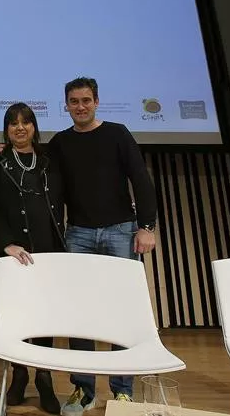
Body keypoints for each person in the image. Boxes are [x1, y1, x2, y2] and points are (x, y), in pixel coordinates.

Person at [48, 77, 157, 414]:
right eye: (73, 101)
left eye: (86, 100)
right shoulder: (60, 142)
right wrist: (1, 150)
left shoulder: (118, 133)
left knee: (122, 312)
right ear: (65, 105)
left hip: (121, 231)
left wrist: (147, 227)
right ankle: (83, 390)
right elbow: (38, 171)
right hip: (78, 234)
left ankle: (122, 390)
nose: (80, 106)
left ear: (96, 101)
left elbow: (140, 178)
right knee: (80, 314)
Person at [0, 103, 65, 414]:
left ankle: (44, 379)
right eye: (13, 123)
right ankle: (19, 375)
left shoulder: (49, 161)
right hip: (12, 255)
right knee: (15, 320)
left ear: (34, 127)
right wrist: (6, 244)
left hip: (47, 251)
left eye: (25, 122)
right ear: (5, 129)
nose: (20, 128)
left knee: (44, 320)